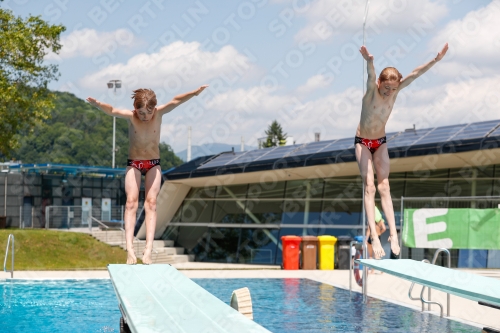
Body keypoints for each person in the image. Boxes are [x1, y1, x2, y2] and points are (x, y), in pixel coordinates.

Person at [86, 85, 208, 264]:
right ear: (135, 109)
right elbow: (111, 110)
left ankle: (148, 250)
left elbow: (176, 100)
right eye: (141, 112)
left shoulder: (158, 114)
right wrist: (97, 104)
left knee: (151, 203)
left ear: (154, 109)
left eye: (148, 113)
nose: (145, 117)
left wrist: (194, 93)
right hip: (134, 164)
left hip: (153, 164)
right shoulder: (131, 117)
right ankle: (130, 250)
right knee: (131, 203)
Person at [356, 43, 448, 259]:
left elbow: (415, 74)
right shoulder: (372, 92)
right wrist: (370, 61)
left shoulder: (395, 92)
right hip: (363, 143)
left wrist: (435, 60)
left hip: (380, 142)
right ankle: (375, 237)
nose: (389, 93)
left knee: (384, 186)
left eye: (393, 89)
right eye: (386, 88)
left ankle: (394, 235)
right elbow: (370, 76)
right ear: (379, 83)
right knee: (369, 187)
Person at [365, 206, 386, 272]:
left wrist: (366, 240)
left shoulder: (371, 220)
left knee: (370, 256)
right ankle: (382, 268)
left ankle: (372, 270)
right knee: (377, 256)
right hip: (377, 237)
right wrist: (379, 233)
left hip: (371, 237)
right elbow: (384, 228)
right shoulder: (380, 221)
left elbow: (368, 231)